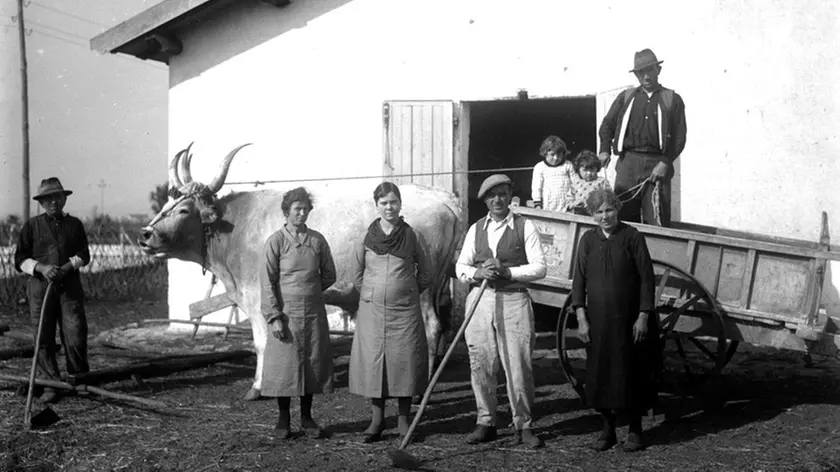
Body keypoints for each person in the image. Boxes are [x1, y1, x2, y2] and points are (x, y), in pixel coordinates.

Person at [456, 174, 547, 448]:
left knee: (518, 365)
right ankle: (486, 421)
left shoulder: (524, 226)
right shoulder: (476, 229)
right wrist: (477, 272)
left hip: (513, 299)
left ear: (510, 197)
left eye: (503, 194)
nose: (497, 199)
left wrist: (508, 271)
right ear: (485, 200)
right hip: (481, 300)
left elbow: (540, 267)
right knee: (480, 363)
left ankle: (524, 424)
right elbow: (461, 267)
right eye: (491, 195)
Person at [570, 188, 660, 452]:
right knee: (600, 373)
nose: (604, 216)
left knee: (630, 371)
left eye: (609, 209)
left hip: (628, 320)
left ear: (617, 209)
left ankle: (635, 430)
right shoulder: (587, 240)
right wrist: (581, 317)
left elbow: (646, 278)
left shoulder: (631, 236)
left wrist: (643, 316)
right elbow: (579, 281)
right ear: (592, 215)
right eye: (598, 212)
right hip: (598, 321)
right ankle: (607, 431)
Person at [349, 181, 432, 443]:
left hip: (404, 313)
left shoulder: (412, 235)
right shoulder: (365, 237)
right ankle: (376, 421)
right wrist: (373, 293)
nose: (389, 207)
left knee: (404, 363)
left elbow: (427, 272)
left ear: (400, 204)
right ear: (376, 206)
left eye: (393, 202)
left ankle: (404, 420)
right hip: (372, 312)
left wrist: (406, 291)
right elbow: (356, 274)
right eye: (384, 203)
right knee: (375, 364)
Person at [261, 187, 337, 439]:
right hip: (285, 315)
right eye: (297, 209)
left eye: (305, 209)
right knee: (284, 367)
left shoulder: (317, 240)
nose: (302, 213)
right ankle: (283, 420)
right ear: (286, 211)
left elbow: (329, 275)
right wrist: (274, 317)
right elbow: (267, 282)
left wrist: (310, 291)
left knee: (312, 364)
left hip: (313, 313)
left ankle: (307, 418)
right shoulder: (276, 242)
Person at [14, 177, 91, 404]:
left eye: (57, 197)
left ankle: (78, 379)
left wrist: (67, 267)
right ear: (41, 202)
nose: (53, 202)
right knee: (43, 335)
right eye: (48, 199)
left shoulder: (74, 225)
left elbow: (84, 255)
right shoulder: (31, 226)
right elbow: (19, 259)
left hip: (69, 289)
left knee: (75, 331)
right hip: (40, 289)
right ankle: (50, 384)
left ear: (64, 199)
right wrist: (41, 267)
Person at [598, 48, 687, 226]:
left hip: (657, 166)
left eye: (649, 70)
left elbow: (679, 137)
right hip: (628, 165)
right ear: (636, 75)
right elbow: (607, 124)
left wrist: (665, 162)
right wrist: (604, 150)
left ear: (658, 70)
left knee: (657, 220)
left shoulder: (672, 99)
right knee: (622, 219)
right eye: (640, 72)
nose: (645, 76)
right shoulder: (626, 97)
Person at [530, 135, 576, 212]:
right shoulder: (540, 167)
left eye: (559, 154)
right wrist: (538, 205)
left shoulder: (568, 165)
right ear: (545, 153)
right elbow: (536, 188)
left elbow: (575, 184)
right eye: (552, 154)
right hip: (548, 208)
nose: (556, 158)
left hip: (567, 208)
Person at [567, 150, 611, 215]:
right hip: (578, 216)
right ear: (578, 170)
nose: (589, 173)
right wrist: (573, 204)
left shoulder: (601, 182)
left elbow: (609, 197)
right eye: (585, 170)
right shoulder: (575, 184)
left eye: (592, 169)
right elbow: (569, 199)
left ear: (597, 168)